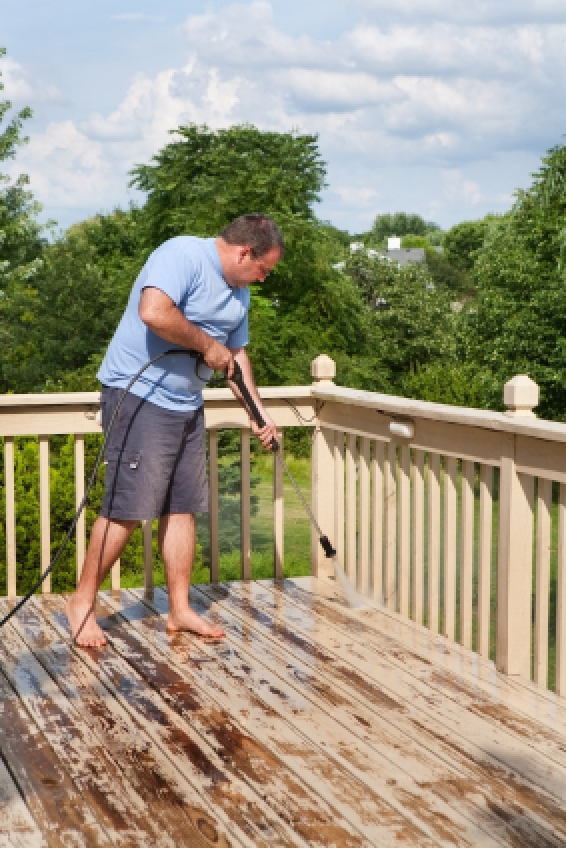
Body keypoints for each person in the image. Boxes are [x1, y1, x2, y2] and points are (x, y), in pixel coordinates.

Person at [65, 215, 282, 647]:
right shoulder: (181, 254)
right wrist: (206, 345)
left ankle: (179, 610)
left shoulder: (239, 296)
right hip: (139, 395)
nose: (263, 279)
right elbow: (154, 312)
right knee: (127, 507)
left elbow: (235, 357)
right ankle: (81, 602)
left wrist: (258, 415)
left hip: (186, 402)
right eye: (263, 269)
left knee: (182, 506)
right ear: (244, 253)